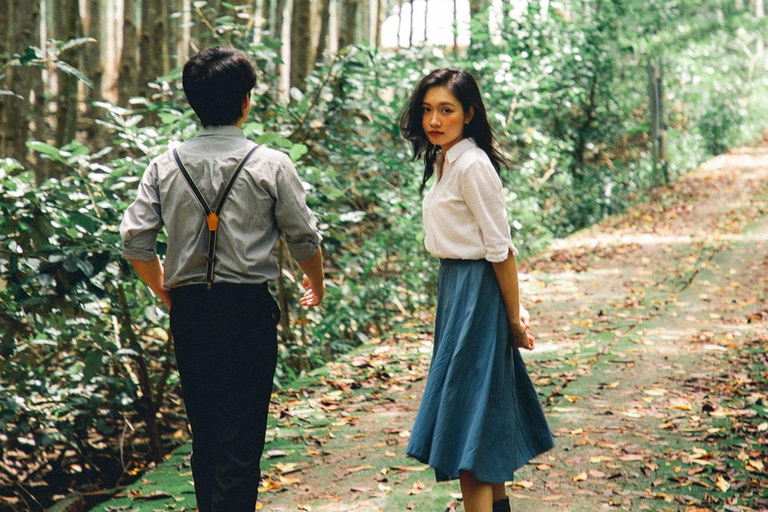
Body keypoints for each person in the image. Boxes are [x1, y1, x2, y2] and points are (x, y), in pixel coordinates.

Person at [119, 46, 325, 512]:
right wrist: (318, 281)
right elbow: (304, 239)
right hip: (248, 310)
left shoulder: (163, 165)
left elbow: (135, 244)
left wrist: (163, 288)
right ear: (245, 101)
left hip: (191, 311)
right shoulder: (271, 163)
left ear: (193, 102)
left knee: (205, 432)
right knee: (243, 435)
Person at [400, 68, 554, 512]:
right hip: (456, 290)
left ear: (469, 114)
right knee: (481, 416)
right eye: (427, 110)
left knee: (468, 421)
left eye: (446, 110)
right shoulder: (445, 159)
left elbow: (500, 247)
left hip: (476, 292)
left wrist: (513, 314)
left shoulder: (471, 165)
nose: (434, 119)